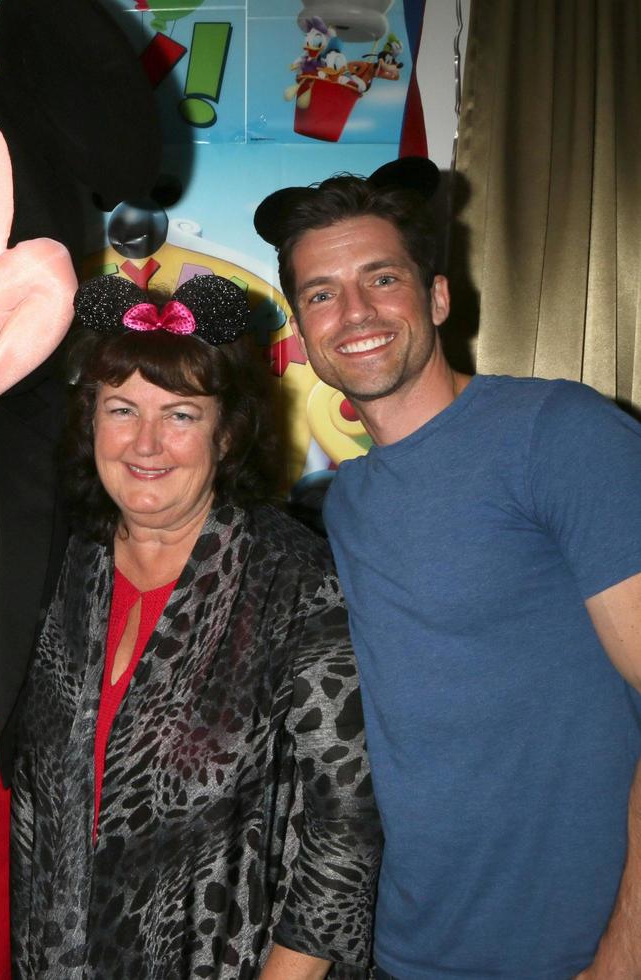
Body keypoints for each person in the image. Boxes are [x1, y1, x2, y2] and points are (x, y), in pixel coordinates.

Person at [256, 157, 641, 979]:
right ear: (301, 329)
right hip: (409, 950)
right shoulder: (344, 502)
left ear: (436, 295)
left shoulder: (559, 435)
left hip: (570, 954)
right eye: (321, 292)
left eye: (380, 278)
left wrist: (625, 950)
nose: (352, 312)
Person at [11, 274, 382, 978]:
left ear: (229, 431)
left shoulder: (297, 581)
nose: (145, 443)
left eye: (180, 414)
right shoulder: (69, 566)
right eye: (122, 409)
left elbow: (345, 834)